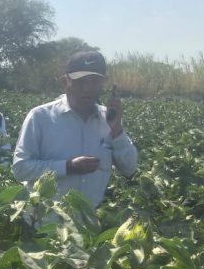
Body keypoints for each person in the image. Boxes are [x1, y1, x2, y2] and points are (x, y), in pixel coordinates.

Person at [12, 51, 138, 209]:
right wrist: (67, 167)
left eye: (95, 81)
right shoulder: (40, 117)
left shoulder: (110, 120)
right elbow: (21, 169)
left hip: (91, 225)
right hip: (46, 224)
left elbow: (130, 169)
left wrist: (117, 130)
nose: (87, 88)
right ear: (65, 82)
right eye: (80, 81)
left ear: (103, 84)